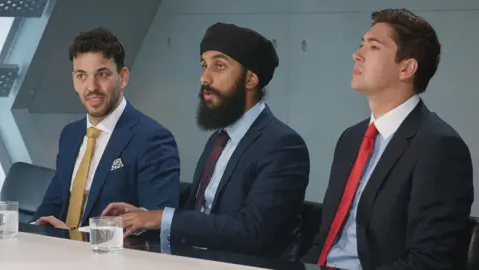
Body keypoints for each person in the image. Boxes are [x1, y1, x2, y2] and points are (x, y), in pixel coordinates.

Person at [102, 22, 310, 260]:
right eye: (204, 65)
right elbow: (200, 217)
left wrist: (163, 218)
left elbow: (253, 232)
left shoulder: (282, 145)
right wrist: (147, 218)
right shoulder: (218, 140)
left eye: (219, 66)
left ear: (250, 79)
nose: (204, 77)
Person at [303, 8, 474, 270]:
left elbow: (429, 261)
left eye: (373, 46)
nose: (356, 54)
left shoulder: (439, 147)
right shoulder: (351, 138)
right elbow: (325, 237)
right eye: (361, 44)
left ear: (406, 68)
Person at [32, 27, 181, 231]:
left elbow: (158, 222)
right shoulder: (70, 134)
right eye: (82, 76)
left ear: (123, 77)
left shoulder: (153, 138)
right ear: (74, 81)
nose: (92, 87)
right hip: (60, 253)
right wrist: (37, 226)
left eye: (102, 74)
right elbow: (53, 204)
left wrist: (76, 236)